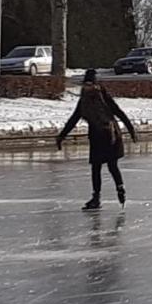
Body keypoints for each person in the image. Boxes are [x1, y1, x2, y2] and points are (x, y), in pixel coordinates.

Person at [56, 69, 137, 211]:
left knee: (111, 166)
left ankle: (119, 189)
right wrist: (61, 136)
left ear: (95, 84)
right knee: (97, 168)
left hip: (110, 135)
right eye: (86, 84)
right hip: (98, 136)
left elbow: (118, 112)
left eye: (90, 84)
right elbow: (74, 119)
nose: (89, 87)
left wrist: (131, 130)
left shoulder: (101, 96)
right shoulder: (85, 100)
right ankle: (97, 197)